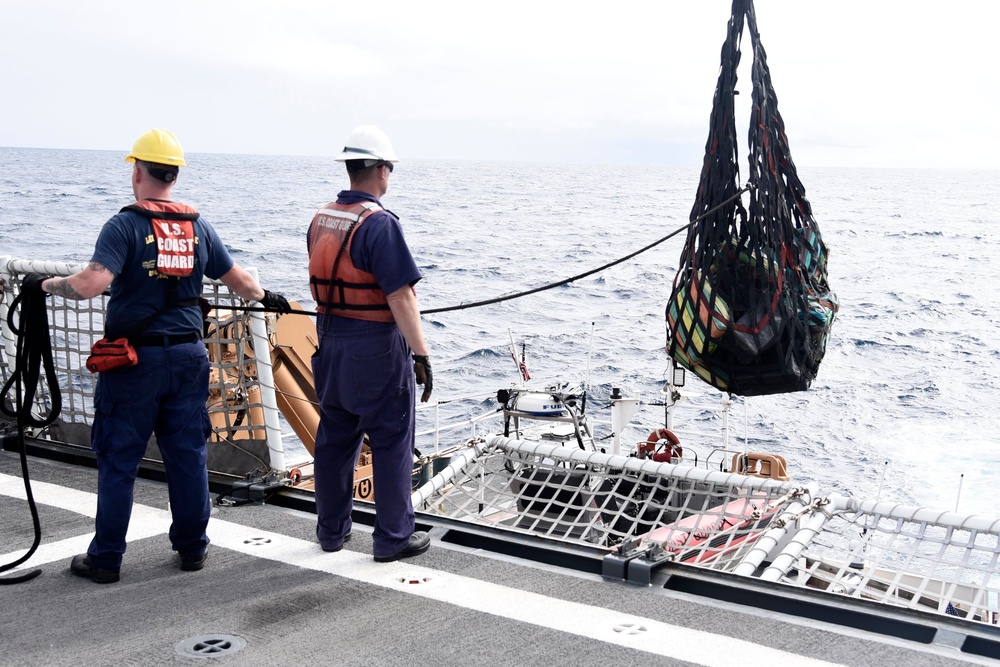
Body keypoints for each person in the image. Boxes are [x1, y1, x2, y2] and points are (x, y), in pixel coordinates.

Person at [22, 129, 291, 583]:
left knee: (119, 459)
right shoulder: (199, 227)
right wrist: (270, 296)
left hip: (134, 365)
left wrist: (42, 285)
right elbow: (241, 283)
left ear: (138, 171)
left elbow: (90, 284)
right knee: (187, 456)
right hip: (189, 358)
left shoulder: (124, 225)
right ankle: (192, 550)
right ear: (175, 175)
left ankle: (106, 559)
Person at [307, 125, 433, 562]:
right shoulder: (379, 225)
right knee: (392, 438)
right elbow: (400, 296)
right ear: (381, 169)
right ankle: (393, 538)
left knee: (334, 440)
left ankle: (330, 532)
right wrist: (421, 355)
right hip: (374, 348)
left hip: (328, 342)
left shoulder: (321, 217)